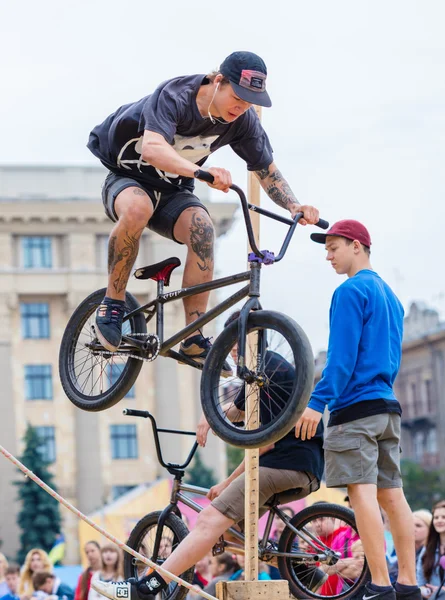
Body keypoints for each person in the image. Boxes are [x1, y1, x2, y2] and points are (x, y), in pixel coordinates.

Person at [87, 50, 320, 370]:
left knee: (203, 229)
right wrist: (201, 174)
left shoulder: (242, 121)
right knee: (138, 209)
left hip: (174, 191)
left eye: (250, 101)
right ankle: (112, 304)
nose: (240, 107)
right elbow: (154, 149)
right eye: (237, 96)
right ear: (218, 81)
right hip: (128, 176)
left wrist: (294, 205)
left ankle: (193, 335)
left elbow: (267, 170)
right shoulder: (175, 96)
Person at [91, 312, 325, 600]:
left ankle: (147, 587)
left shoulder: (266, 373)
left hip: (283, 465)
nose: (234, 351)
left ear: (254, 339)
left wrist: (227, 482)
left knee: (207, 522)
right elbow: (234, 413)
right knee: (226, 533)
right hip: (305, 468)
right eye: (231, 345)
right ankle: (305, 572)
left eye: (237, 344)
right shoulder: (267, 368)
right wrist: (208, 418)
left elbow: (263, 446)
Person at [294, 219, 421, 600]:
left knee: (362, 492)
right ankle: (409, 585)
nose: (328, 256)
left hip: (356, 408)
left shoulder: (350, 291)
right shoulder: (390, 296)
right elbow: (391, 357)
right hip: (386, 404)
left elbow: (341, 357)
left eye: (334, 247)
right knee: (392, 494)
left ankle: (380, 585)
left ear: (357, 246)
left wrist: (318, 402)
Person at [417, 500, 445, 599]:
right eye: (436, 517)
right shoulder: (428, 548)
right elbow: (420, 580)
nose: (439, 520)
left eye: (443, 517)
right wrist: (424, 590)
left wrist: (441, 591)